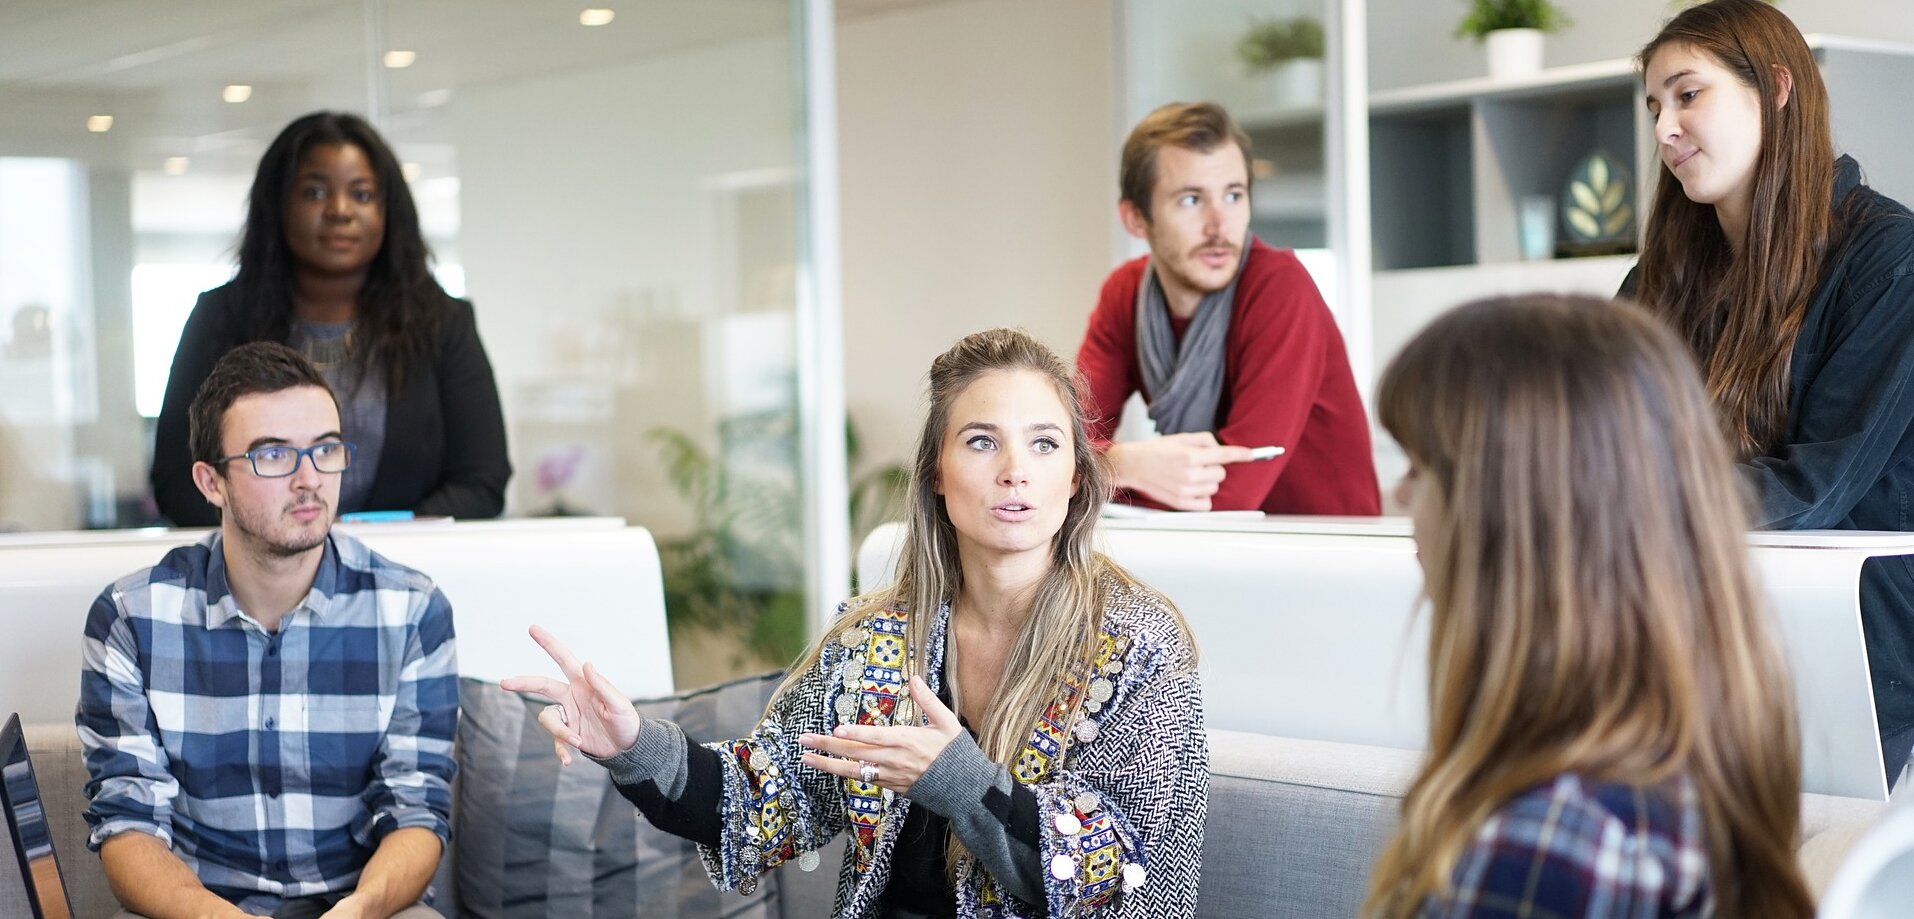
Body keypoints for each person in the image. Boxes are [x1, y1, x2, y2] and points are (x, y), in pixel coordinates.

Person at [504, 328, 1207, 918]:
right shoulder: (877, 636)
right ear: (937, 470)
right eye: (983, 441)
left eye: (1046, 444)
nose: (1016, 470)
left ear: (1076, 477)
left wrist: (960, 780)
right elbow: (761, 799)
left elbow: (1116, 873)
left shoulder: (1141, 645)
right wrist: (630, 744)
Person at [1365, 296, 1812, 918]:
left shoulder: (1550, 844)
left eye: (1419, 467)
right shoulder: (1677, 776)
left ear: (1509, 513)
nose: (1399, 496)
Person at [1625, 0, 1914, 786]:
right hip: (1695, 623)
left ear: (1777, 88)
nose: (1663, 129)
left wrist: (1620, 502)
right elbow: (1597, 435)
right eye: (1655, 106)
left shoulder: (1890, 258)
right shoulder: (1662, 277)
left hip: (1853, 647)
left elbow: (1816, 485)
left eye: (1689, 95)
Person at [80, 343, 458, 919]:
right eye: (274, 455)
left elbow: (417, 811)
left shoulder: (412, 611)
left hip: (364, 906)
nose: (310, 479)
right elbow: (128, 824)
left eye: (326, 449)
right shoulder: (131, 617)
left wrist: (361, 908)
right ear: (211, 483)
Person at [151, 110, 510, 527]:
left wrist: (373, 540)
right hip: (259, 580)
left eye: (361, 195)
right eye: (315, 193)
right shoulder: (220, 319)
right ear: (278, 204)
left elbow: (482, 481)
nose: (340, 211)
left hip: (406, 573)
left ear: (388, 211)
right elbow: (177, 483)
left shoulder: (443, 324)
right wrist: (286, 536)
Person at [1075, 101, 1378, 515]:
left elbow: (1233, 493)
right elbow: (1061, 445)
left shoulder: (1279, 287)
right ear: (1136, 219)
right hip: (1212, 552)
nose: (1220, 225)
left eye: (1233, 195)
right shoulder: (1124, 294)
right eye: (1190, 200)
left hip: (1323, 555)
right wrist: (1123, 463)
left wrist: (1097, 471)